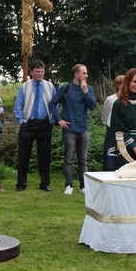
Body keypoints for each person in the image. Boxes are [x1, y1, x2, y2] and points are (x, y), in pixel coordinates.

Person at [49, 64, 96, 194]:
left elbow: (92, 106)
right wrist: (59, 119)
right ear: (76, 74)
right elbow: (52, 103)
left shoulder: (88, 89)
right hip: (69, 129)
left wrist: (85, 92)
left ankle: (83, 187)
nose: (86, 76)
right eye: (84, 73)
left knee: (83, 160)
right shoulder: (66, 88)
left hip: (83, 129)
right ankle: (69, 185)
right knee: (68, 159)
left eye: (86, 73)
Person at [14, 60, 56, 191]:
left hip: (45, 125)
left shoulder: (50, 86)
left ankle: (45, 183)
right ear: (31, 72)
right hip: (28, 125)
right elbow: (18, 105)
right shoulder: (25, 86)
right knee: (23, 156)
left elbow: (55, 105)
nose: (40, 74)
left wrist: (52, 121)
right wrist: (21, 121)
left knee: (44, 156)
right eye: (37, 71)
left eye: (42, 71)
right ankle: (21, 183)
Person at [101, 75, 124, 171]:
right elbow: (105, 116)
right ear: (118, 85)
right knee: (111, 156)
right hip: (112, 131)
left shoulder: (128, 100)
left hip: (124, 131)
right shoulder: (110, 99)